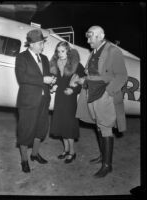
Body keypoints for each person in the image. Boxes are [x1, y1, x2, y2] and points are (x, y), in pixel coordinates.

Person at [76, 26, 128, 177]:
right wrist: (83, 80)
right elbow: (91, 73)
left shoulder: (113, 51)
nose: (88, 40)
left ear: (101, 36)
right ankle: (103, 156)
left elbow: (121, 76)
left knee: (105, 128)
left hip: (104, 95)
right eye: (87, 36)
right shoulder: (94, 51)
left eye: (90, 36)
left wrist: (108, 92)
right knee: (99, 126)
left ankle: (107, 165)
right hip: (91, 93)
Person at [15, 29, 56, 173]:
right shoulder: (22, 57)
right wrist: (42, 80)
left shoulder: (44, 58)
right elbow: (22, 78)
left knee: (41, 129)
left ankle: (35, 154)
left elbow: (46, 75)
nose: (42, 46)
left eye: (43, 43)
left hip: (44, 100)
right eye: (40, 43)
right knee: (25, 131)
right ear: (31, 44)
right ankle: (24, 160)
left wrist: (51, 81)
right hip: (28, 102)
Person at [49, 41, 85, 163]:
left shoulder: (76, 65)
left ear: (68, 51)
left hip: (69, 99)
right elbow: (54, 80)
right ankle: (65, 150)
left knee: (69, 126)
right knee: (61, 125)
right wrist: (53, 86)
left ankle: (72, 152)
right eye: (58, 51)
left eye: (62, 51)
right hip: (59, 97)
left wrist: (74, 89)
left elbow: (83, 81)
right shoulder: (55, 64)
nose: (60, 54)